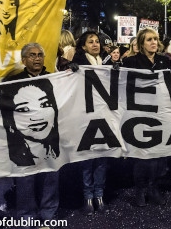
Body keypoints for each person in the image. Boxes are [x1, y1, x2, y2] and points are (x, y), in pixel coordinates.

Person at [2, 42, 59, 224]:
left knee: (50, 179)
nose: (37, 58)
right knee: (26, 182)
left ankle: (49, 214)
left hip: (50, 140)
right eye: (32, 55)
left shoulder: (55, 80)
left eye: (40, 55)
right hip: (22, 142)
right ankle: (26, 217)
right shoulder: (12, 82)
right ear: (24, 59)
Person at [122, 28, 171, 207]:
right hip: (139, 113)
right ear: (141, 43)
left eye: (156, 39)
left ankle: (153, 187)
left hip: (160, 112)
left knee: (159, 154)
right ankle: (140, 189)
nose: (154, 43)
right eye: (149, 39)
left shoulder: (164, 61)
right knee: (143, 154)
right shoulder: (131, 61)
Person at [73, 31, 109, 215]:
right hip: (85, 116)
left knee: (102, 157)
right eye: (91, 42)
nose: (95, 44)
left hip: (104, 115)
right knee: (87, 157)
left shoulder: (107, 64)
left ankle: (99, 194)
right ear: (83, 46)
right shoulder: (77, 66)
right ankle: (88, 196)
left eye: (97, 42)